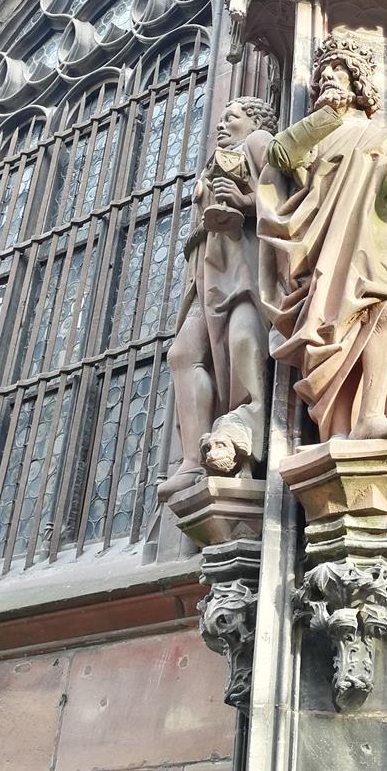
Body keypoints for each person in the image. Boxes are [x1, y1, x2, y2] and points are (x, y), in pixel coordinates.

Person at [257, 33, 387, 442]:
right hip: (322, 249)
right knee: (333, 329)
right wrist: (327, 115)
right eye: (323, 72)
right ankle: (338, 426)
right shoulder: (314, 133)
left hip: (372, 242)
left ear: (358, 81)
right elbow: (280, 155)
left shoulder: (381, 139)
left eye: (338, 70)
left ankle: (371, 415)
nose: (329, 76)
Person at [159, 97, 277, 502]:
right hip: (211, 271)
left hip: (247, 268)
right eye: (220, 118)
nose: (221, 125)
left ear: (256, 121)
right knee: (181, 355)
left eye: (232, 117)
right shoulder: (216, 163)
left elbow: (291, 199)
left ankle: (245, 433)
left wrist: (245, 202)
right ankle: (193, 460)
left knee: (244, 341)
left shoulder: (260, 142)